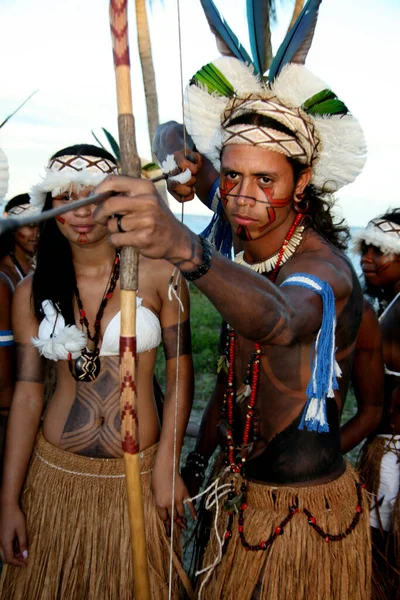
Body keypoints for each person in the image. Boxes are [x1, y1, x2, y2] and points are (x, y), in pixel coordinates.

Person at [93, 58, 371, 599]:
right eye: (233, 174)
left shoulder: (324, 272)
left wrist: (180, 243)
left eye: (266, 179)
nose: (241, 194)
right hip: (237, 489)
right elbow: (171, 133)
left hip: (301, 514)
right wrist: (181, 156)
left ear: (302, 182)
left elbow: (279, 319)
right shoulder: (246, 205)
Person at [0, 144, 194, 600]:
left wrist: (167, 465)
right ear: (49, 209)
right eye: (65, 199)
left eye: (91, 196)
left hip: (139, 476)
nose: (80, 212)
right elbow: (28, 396)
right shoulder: (31, 290)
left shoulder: (161, 274)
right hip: (56, 478)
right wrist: (9, 499)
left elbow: (182, 371)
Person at [354, 211, 400, 599]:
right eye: (365, 248)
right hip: (385, 449)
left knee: (380, 559)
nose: (367, 258)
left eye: (380, 251)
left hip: (392, 457)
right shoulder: (387, 304)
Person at [0, 196, 39, 475]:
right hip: (11, 388)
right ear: (13, 228)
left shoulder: (39, 270)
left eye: (40, 225)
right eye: (28, 225)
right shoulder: (4, 276)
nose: (35, 233)